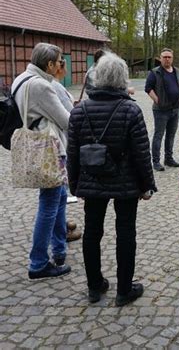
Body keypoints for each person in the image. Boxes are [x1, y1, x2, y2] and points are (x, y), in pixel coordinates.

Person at [67, 52, 157, 306]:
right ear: (122, 79)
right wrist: (146, 185)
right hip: (125, 183)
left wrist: (74, 185)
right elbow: (141, 152)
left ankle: (94, 287)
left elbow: (72, 154)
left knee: (92, 233)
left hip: (92, 180)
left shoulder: (79, 111)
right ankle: (124, 290)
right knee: (125, 232)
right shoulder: (130, 109)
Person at [12, 43, 71, 280]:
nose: (60, 66)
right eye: (59, 62)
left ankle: (59, 248)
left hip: (39, 144)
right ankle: (38, 263)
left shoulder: (21, 79)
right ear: (49, 64)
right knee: (49, 204)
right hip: (49, 150)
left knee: (59, 198)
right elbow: (66, 120)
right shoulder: (40, 86)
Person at [145, 48, 179, 171]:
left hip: (175, 109)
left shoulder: (177, 71)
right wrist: (157, 100)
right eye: (164, 57)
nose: (167, 59)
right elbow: (148, 88)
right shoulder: (155, 72)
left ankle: (168, 159)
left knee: (171, 135)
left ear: (172, 58)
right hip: (161, 110)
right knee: (159, 135)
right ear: (160, 58)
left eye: (169, 57)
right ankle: (156, 161)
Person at [52, 60, 82, 242]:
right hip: (61, 142)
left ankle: (61, 225)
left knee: (60, 192)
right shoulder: (53, 86)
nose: (65, 67)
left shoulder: (55, 85)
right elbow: (68, 117)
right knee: (58, 193)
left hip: (60, 141)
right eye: (61, 63)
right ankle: (60, 231)